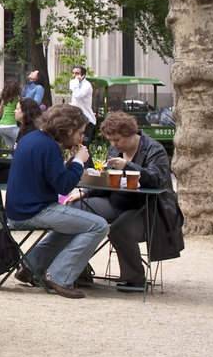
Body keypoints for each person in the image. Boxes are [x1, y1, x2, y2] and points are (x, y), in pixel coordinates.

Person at [7, 105, 107, 298]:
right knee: (99, 226)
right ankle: (60, 276)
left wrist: (70, 163)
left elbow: (52, 177)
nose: (81, 138)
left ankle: (30, 266)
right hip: (35, 210)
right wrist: (78, 161)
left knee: (77, 224)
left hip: (19, 209)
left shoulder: (32, 138)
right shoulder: (49, 146)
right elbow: (63, 186)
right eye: (80, 133)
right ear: (68, 130)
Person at [78, 112, 184, 290]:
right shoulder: (116, 150)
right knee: (77, 211)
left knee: (120, 229)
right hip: (116, 202)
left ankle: (134, 278)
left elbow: (157, 179)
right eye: (111, 140)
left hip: (147, 208)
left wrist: (128, 166)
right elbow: (109, 179)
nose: (114, 144)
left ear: (130, 133)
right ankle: (77, 271)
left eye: (117, 140)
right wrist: (86, 193)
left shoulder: (154, 149)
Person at [68, 65, 97, 138]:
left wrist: (76, 83)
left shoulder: (87, 85)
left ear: (83, 75)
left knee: (84, 143)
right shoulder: (73, 82)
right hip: (77, 118)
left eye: (77, 73)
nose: (74, 75)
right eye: (73, 73)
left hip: (87, 119)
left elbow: (78, 95)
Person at [0, 78, 23, 148]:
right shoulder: (17, 98)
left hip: (1, 127)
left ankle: (11, 158)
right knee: (24, 140)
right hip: (11, 126)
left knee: (10, 149)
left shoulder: (4, 98)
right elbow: (21, 111)